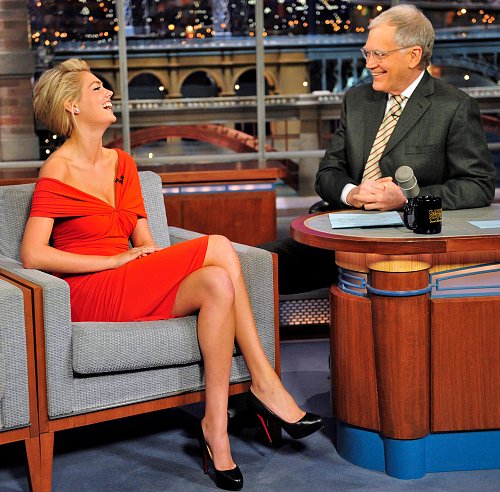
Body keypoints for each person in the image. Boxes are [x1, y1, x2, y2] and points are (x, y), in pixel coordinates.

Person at [21, 58, 323, 491]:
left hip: (132, 277)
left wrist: (159, 265)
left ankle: (215, 429)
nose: (109, 94)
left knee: (217, 282)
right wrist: (112, 262)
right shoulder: (57, 169)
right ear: (72, 106)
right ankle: (265, 382)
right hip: (90, 290)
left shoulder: (122, 163)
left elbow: (145, 241)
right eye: (96, 89)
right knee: (218, 245)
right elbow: (33, 254)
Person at [260, 4, 496, 295]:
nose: (370, 64)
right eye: (367, 53)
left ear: (414, 55)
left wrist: (406, 198)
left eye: (380, 54)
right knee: (239, 266)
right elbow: (328, 174)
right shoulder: (357, 100)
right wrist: (352, 193)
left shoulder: (454, 106)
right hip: (339, 241)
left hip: (407, 248)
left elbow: (478, 186)